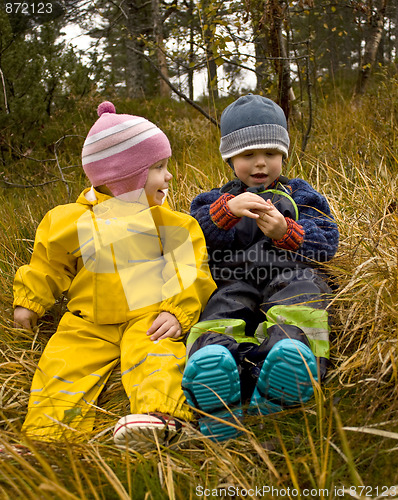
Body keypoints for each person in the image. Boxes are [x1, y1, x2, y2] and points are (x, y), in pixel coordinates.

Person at [13, 101, 216, 450]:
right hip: (87, 322)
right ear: (125, 178)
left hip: (147, 316)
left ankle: (162, 417)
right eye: (159, 168)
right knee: (62, 366)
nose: (169, 176)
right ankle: (47, 439)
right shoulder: (69, 220)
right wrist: (30, 302)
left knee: (157, 353)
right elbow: (48, 264)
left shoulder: (171, 223)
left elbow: (190, 271)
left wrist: (176, 311)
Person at [182, 94, 339, 441]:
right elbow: (191, 238)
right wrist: (224, 214)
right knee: (222, 307)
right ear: (230, 158)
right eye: (248, 155)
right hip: (232, 276)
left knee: (303, 297)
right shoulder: (214, 200)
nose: (260, 164)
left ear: (283, 154)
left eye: (270, 153)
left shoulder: (301, 195)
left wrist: (289, 232)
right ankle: (216, 367)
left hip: (290, 271)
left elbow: (327, 242)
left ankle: (290, 361)